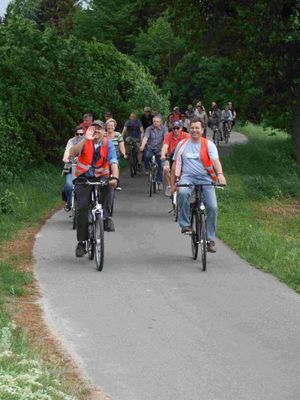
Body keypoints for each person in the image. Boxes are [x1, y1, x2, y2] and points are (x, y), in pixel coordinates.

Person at [171, 118, 226, 253]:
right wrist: (173, 184)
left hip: (205, 178)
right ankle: (185, 224)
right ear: (189, 129)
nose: (195, 130)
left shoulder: (208, 145)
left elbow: (215, 161)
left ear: (202, 130)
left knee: (212, 207)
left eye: (197, 128)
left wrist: (220, 174)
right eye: (192, 128)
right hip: (187, 177)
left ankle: (210, 239)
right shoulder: (182, 145)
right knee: (183, 192)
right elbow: (174, 165)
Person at [69, 120, 119, 257]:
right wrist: (85, 139)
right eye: (94, 128)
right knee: (82, 208)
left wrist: (114, 177)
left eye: (99, 129)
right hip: (84, 177)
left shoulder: (108, 144)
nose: (96, 131)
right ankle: (81, 242)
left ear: (104, 131)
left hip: (100, 176)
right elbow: (72, 153)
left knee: (110, 186)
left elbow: (113, 162)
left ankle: (106, 218)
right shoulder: (85, 141)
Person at [161, 121, 190, 196]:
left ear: (181, 128)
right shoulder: (168, 135)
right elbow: (165, 146)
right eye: (174, 128)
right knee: (166, 168)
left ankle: (182, 184)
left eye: (177, 128)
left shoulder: (186, 135)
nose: (175, 130)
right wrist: (163, 154)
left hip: (182, 157)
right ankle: (169, 185)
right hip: (170, 156)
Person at [140, 116, 167, 190]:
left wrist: (164, 150)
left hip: (160, 149)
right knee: (147, 156)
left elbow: (166, 139)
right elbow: (145, 137)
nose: (155, 123)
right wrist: (142, 146)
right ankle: (148, 169)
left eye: (157, 121)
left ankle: (159, 182)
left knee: (161, 165)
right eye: (154, 121)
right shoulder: (149, 128)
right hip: (150, 148)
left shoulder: (164, 129)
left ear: (160, 122)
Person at [62, 126, 85, 211]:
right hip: (71, 167)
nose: (79, 136)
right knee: (69, 185)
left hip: (83, 168)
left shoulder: (87, 142)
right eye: (77, 134)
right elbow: (67, 151)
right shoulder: (71, 141)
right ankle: (69, 203)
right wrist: (65, 158)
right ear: (74, 134)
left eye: (81, 134)